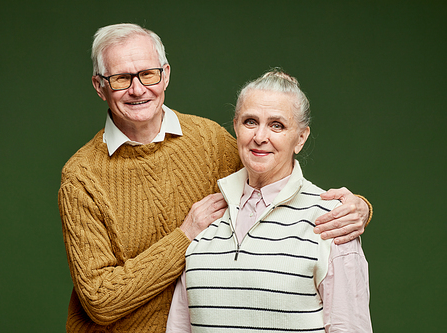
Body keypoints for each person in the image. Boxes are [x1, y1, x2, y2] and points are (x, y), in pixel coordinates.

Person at [58, 23, 372, 333]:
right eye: (121, 78)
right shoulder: (82, 177)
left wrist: (358, 208)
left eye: (148, 74)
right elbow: (99, 300)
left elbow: (275, 174)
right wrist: (184, 237)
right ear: (100, 86)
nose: (138, 89)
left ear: (165, 74)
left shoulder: (208, 140)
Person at [166, 70, 372, 332]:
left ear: (300, 138)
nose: (260, 137)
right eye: (250, 122)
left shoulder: (333, 220)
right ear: (236, 127)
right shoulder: (204, 219)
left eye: (277, 125)